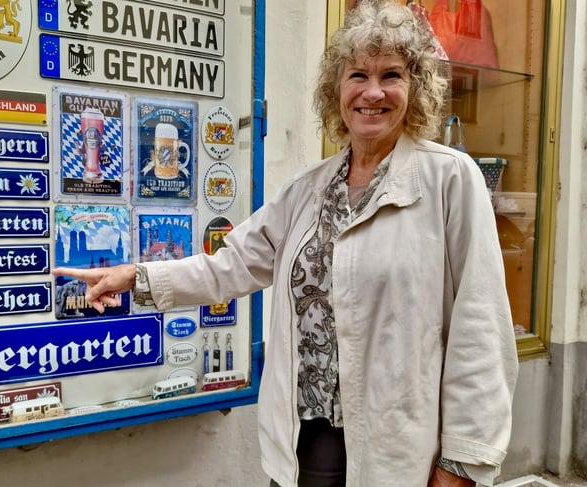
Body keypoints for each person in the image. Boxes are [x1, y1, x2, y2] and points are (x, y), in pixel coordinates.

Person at [52, 1, 519, 485]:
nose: (373, 92)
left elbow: (480, 329)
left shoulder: (448, 179)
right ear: (336, 91)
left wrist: (462, 462)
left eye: (392, 75)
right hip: (303, 445)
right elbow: (229, 267)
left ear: (415, 88)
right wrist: (136, 276)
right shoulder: (309, 188)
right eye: (358, 74)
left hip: (399, 450)